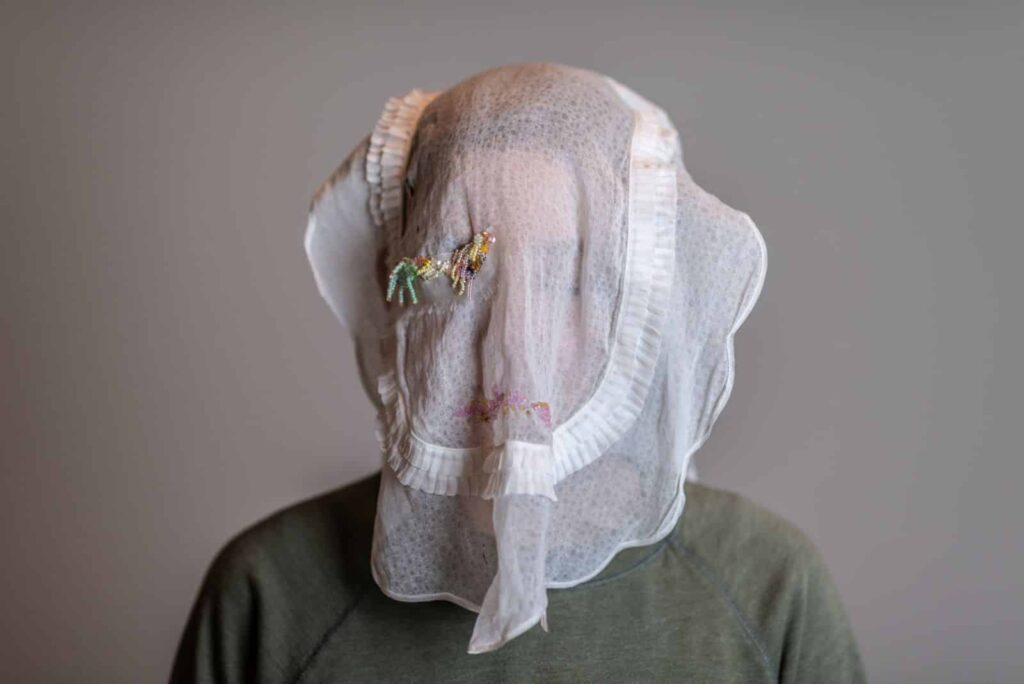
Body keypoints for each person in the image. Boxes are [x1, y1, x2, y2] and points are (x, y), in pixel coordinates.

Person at [171, 62, 866, 682]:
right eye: (459, 278)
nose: (510, 344)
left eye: (569, 281)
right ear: (396, 292)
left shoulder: (770, 589)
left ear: (643, 309)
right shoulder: (270, 595)